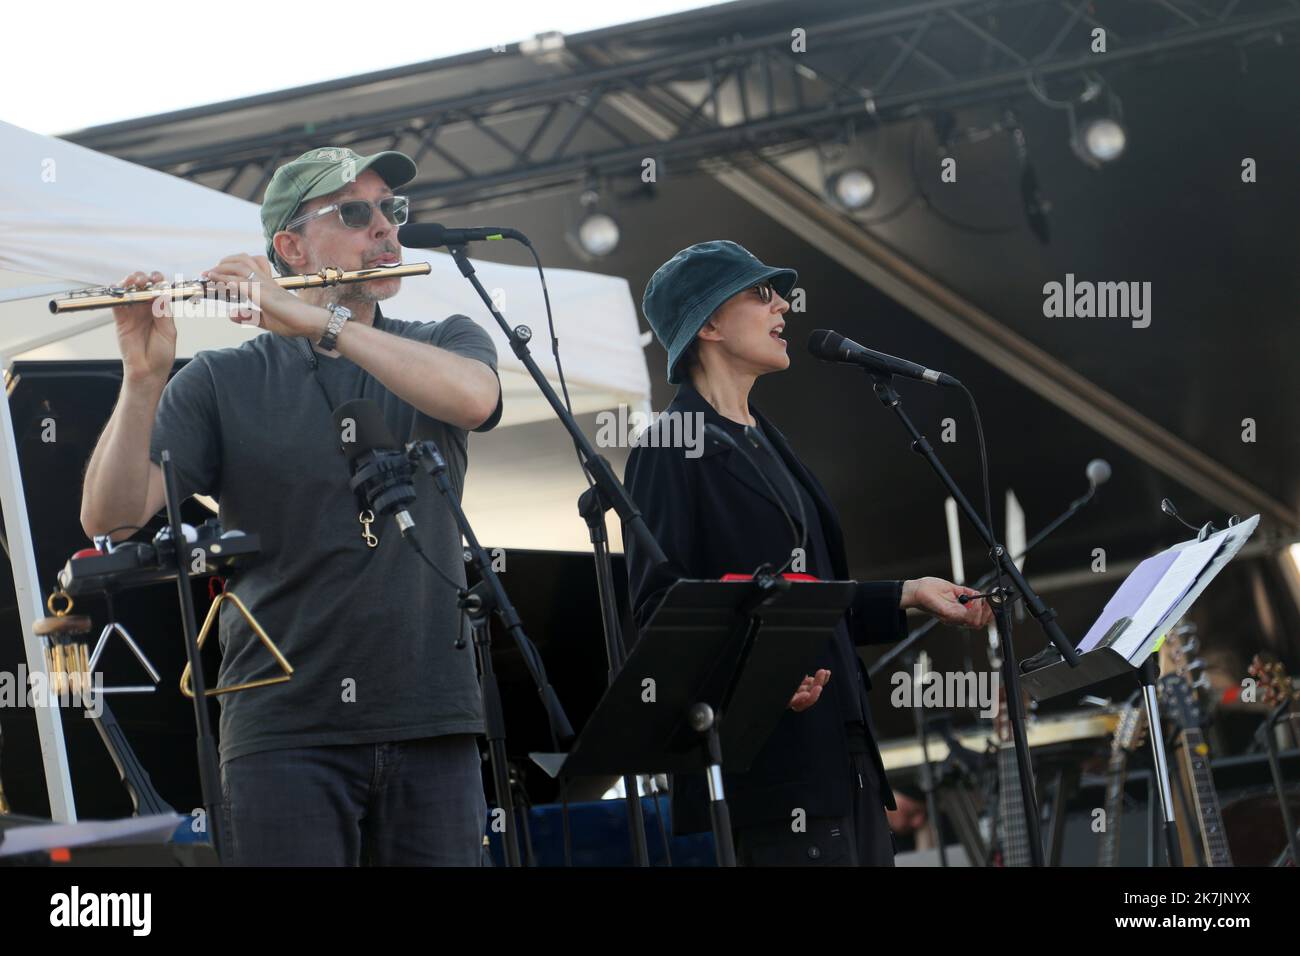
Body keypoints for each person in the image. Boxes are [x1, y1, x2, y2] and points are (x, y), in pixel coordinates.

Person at [79, 146, 503, 866]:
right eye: (356, 212)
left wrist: (322, 326)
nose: (385, 229)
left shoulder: (445, 341)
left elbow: (475, 398)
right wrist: (142, 379)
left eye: (391, 211)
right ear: (290, 246)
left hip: (431, 717)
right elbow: (111, 519)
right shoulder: (219, 379)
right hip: (284, 729)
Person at [623, 240, 991, 866]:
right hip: (770, 771)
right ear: (708, 324)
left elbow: (810, 601)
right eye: (761, 294)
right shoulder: (669, 448)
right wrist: (755, 678)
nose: (784, 306)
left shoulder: (770, 442)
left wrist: (907, 594)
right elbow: (662, 611)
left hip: (843, 756)